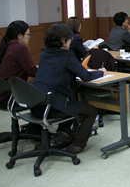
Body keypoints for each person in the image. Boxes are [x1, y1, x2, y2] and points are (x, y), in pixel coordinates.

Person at [32, 24, 106, 154]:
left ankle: (63, 133)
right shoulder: (66, 56)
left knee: (70, 100)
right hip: (51, 106)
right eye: (69, 39)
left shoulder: (44, 54)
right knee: (90, 111)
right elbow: (86, 76)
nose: (71, 42)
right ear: (62, 40)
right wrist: (101, 72)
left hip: (36, 102)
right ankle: (77, 145)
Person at [0, 20, 38, 108]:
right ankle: (34, 121)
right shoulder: (19, 49)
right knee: (44, 95)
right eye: (28, 34)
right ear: (19, 36)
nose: (29, 37)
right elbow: (32, 72)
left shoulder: (6, 46)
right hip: (11, 97)